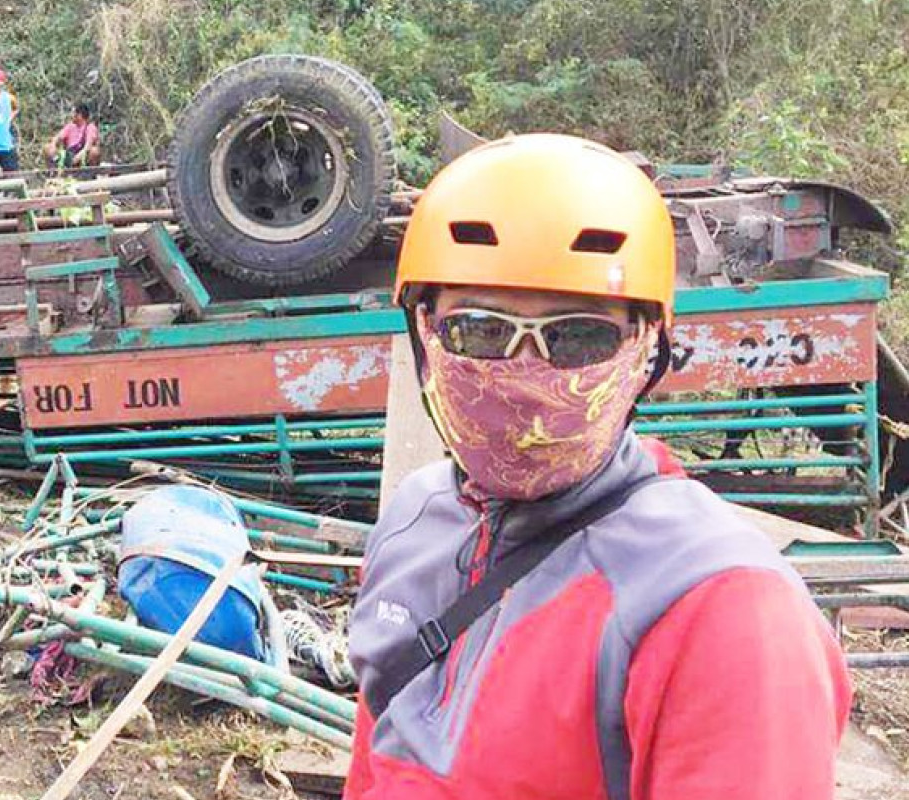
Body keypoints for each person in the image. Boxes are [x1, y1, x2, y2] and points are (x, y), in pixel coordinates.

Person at [343, 134, 850, 800]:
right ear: (424, 333)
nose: (524, 376)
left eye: (578, 337)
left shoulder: (721, 609)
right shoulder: (412, 525)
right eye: (482, 331)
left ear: (647, 352)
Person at [43, 103, 101, 168]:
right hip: (69, 154)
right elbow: (58, 138)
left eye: (73, 113)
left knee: (94, 151)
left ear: (79, 115)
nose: (71, 115)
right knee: (47, 147)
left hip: (83, 157)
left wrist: (77, 158)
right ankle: (54, 172)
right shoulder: (70, 126)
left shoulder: (90, 127)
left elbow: (87, 147)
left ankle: (90, 173)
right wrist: (53, 145)